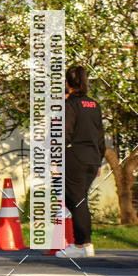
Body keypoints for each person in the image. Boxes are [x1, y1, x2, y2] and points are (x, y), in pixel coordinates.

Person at [56, 66, 105, 258]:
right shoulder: (94, 105)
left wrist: (55, 159)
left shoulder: (71, 104)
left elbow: (64, 134)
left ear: (67, 82)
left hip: (75, 157)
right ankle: (84, 243)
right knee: (79, 199)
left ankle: (81, 244)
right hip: (92, 158)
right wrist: (99, 161)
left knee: (76, 200)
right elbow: (100, 135)